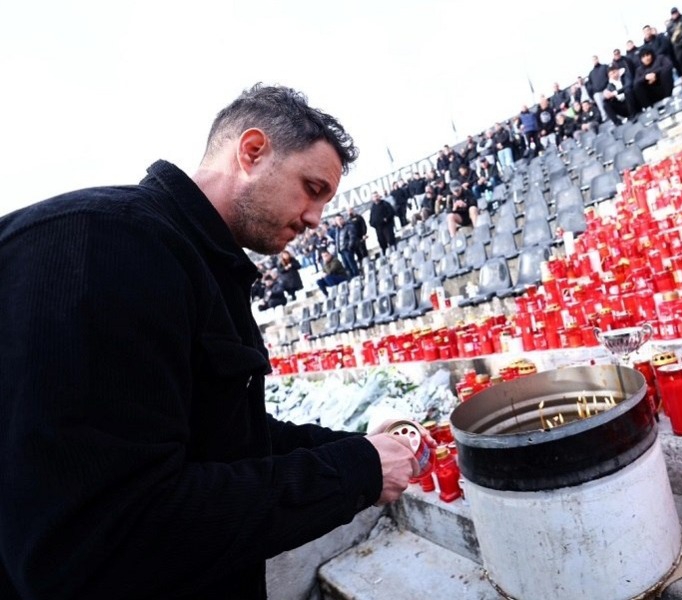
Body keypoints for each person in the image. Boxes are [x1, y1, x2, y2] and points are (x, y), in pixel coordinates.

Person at [0, 84, 421, 600]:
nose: (316, 219)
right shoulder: (104, 246)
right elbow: (110, 533)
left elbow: (222, 437)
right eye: (311, 188)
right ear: (252, 152)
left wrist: (356, 447)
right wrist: (355, 471)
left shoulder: (192, 261)